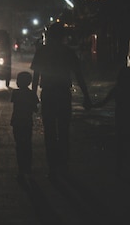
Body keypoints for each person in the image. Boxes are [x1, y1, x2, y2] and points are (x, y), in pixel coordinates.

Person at [30, 22, 92, 178]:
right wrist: (86, 96)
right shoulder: (68, 52)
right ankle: (63, 164)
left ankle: (53, 166)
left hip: (49, 94)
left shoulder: (42, 52)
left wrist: (33, 96)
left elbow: (36, 76)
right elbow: (79, 76)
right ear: (63, 37)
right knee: (63, 131)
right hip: (63, 95)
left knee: (50, 132)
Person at [93, 65, 130, 174]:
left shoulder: (117, 89)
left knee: (120, 144)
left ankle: (119, 168)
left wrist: (91, 106)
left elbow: (103, 102)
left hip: (120, 118)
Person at [10, 71, 40, 180]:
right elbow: (35, 109)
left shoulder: (15, 93)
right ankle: (28, 167)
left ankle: (21, 168)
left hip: (17, 122)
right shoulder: (31, 94)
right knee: (27, 144)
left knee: (19, 145)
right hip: (27, 122)